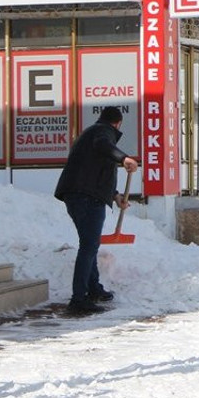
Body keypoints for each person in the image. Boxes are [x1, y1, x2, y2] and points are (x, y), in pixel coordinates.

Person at [54, 106, 140, 315]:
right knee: (89, 245)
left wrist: (115, 195)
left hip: (78, 194)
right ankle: (78, 299)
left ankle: (93, 289)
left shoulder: (92, 133)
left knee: (89, 244)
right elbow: (103, 146)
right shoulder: (103, 134)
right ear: (118, 123)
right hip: (86, 198)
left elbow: (97, 171)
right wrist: (124, 158)